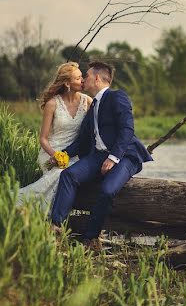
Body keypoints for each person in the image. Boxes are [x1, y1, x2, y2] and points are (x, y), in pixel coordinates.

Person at [49, 61, 153, 250]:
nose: (83, 80)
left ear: (97, 78)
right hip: (98, 156)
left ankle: (91, 238)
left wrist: (113, 158)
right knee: (69, 175)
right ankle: (56, 227)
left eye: (86, 76)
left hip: (125, 156)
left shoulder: (117, 97)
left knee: (106, 190)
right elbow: (81, 142)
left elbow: (127, 129)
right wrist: (60, 155)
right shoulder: (93, 106)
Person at [16, 61, 91, 210]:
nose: (83, 80)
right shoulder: (52, 104)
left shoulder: (87, 102)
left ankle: (43, 215)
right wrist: (55, 155)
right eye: (78, 78)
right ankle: (25, 206)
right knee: (60, 174)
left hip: (74, 154)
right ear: (67, 83)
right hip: (51, 152)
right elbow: (43, 138)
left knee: (68, 174)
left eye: (82, 77)